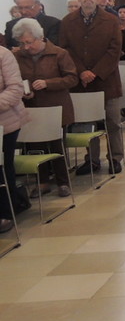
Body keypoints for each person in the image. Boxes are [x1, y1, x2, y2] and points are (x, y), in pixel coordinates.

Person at [59, 0, 125, 176]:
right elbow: (65, 49)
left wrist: (95, 72)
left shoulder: (110, 20)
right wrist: (81, 71)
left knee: (112, 121)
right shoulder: (68, 21)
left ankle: (115, 157)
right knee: (88, 122)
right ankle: (92, 159)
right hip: (82, 81)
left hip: (106, 78)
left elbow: (114, 49)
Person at [12, 18, 77, 198]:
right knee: (35, 146)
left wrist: (48, 83)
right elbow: (16, 79)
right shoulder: (18, 56)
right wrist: (24, 92)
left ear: (40, 37)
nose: (26, 47)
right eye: (22, 43)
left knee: (57, 146)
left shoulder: (59, 54)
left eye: (29, 42)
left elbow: (72, 79)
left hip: (56, 107)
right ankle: (42, 182)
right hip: (32, 107)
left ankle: (63, 182)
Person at [0, 44, 29, 231]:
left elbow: (16, 89)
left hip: (6, 122)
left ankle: (6, 212)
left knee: (3, 167)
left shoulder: (3, 54)